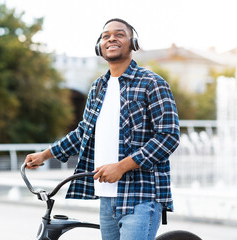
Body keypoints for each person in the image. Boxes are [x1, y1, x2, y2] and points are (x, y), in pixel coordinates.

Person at [24, 18, 180, 240]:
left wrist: (121, 167)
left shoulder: (152, 83)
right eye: (106, 36)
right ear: (100, 46)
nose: (111, 39)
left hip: (141, 195)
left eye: (119, 34)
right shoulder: (98, 87)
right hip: (106, 197)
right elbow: (83, 134)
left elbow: (168, 137)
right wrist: (45, 155)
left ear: (133, 43)